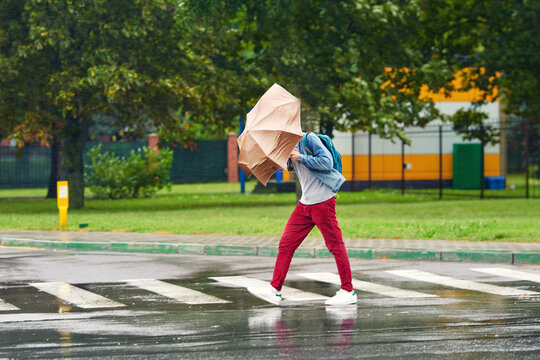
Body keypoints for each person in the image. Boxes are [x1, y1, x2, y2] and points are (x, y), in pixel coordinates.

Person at [249, 132, 357, 305]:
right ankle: (274, 290)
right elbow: (293, 168)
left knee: (335, 246)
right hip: (305, 204)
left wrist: (301, 157)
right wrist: (281, 161)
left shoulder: (309, 139)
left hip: (322, 202)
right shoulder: (287, 146)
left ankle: (348, 291)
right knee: (286, 244)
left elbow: (326, 162)